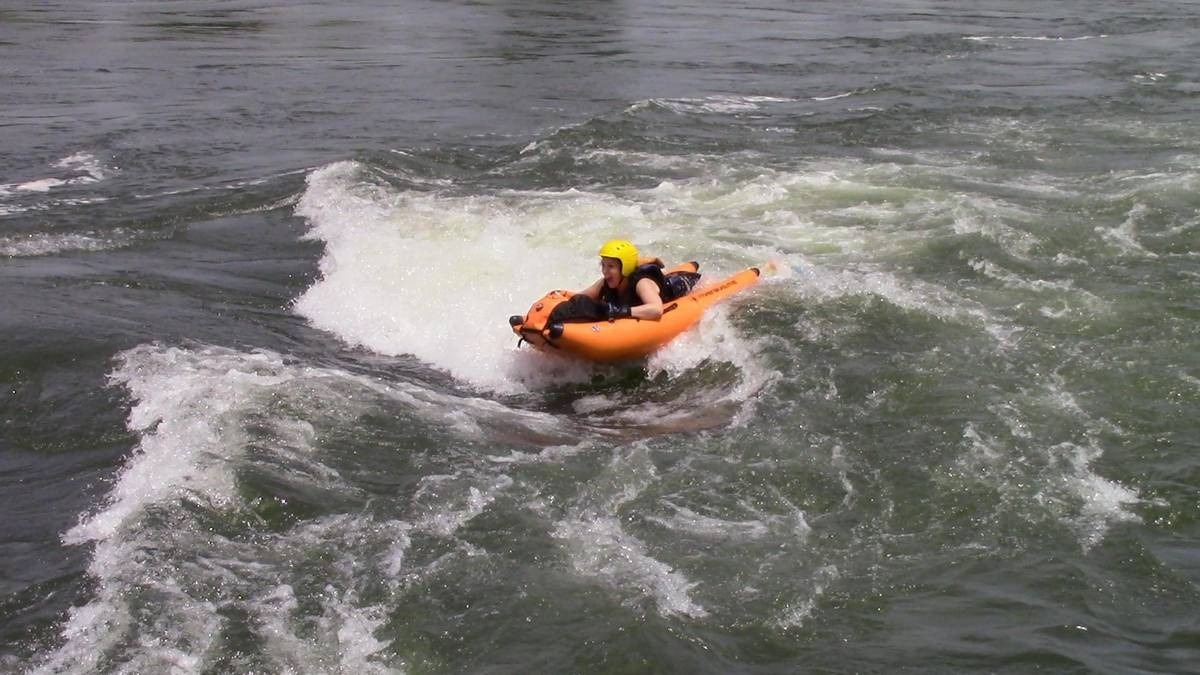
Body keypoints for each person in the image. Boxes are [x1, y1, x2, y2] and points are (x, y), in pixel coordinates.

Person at [578, 239, 667, 320]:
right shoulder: (604, 283)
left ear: (625, 268)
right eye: (603, 265)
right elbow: (579, 298)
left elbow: (657, 310)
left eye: (611, 266)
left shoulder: (642, 283)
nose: (604, 271)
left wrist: (622, 311)